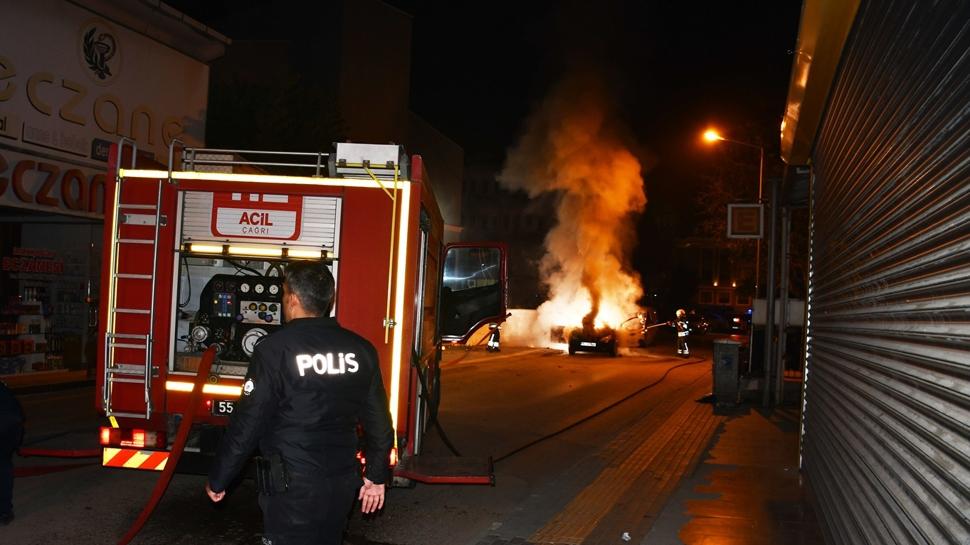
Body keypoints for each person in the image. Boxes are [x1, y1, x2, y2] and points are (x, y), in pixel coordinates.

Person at [206, 260, 394, 545]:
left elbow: (248, 422)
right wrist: (376, 476)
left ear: (292, 298)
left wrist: (220, 477)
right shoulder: (361, 350)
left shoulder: (274, 350)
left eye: (283, 293)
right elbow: (379, 422)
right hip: (342, 483)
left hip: (291, 486)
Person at [0, 379, 24, 525]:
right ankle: (4, 511)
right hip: (12, 427)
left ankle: (4, 510)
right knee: (3, 466)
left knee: (2, 467)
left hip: (7, 429)